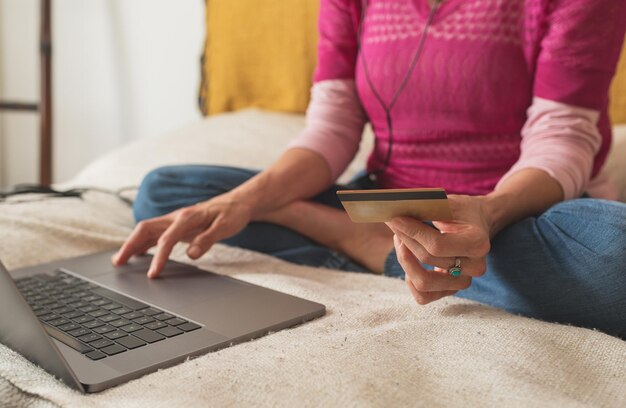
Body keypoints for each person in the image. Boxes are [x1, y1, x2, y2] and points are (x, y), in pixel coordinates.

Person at [112, 0, 626, 338]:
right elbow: (333, 127)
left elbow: (563, 136)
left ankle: (370, 244)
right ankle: (383, 242)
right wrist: (241, 201)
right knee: (168, 195)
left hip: (518, 212)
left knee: (616, 257)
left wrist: (487, 216)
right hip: (386, 200)